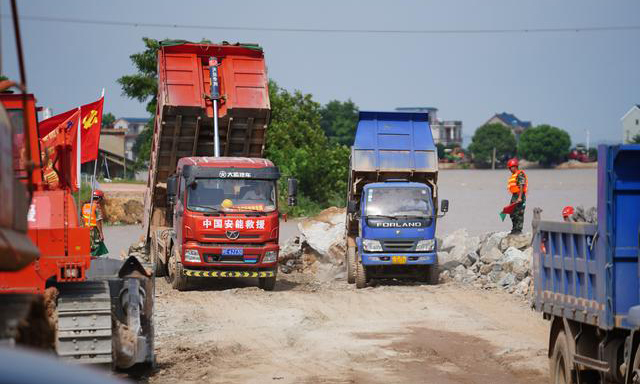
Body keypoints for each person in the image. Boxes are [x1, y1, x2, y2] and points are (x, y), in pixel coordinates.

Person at [506, 158, 528, 235]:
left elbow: (522, 185)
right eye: (509, 168)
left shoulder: (520, 174)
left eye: (510, 167)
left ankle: (518, 230)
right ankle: (514, 228)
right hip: (514, 195)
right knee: (512, 212)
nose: (509, 169)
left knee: (519, 213)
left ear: (515, 166)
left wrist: (519, 197)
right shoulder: (513, 175)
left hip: (520, 195)